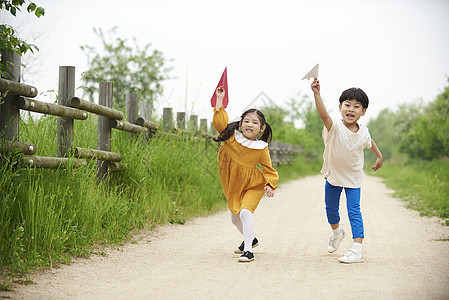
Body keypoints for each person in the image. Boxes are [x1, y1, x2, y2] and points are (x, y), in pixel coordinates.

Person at [311, 78, 383, 263]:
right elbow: (323, 115)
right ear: (340, 107)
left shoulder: (363, 131)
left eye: (356, 106)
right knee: (331, 211)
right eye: (347, 104)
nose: (351, 109)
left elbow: (370, 142)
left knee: (354, 211)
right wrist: (317, 94)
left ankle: (357, 249)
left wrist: (379, 156)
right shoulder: (334, 127)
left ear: (363, 111)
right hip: (333, 176)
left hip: (353, 179)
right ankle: (337, 232)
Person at [213, 86, 279, 263]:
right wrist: (220, 99)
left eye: (255, 122)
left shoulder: (261, 148)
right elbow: (219, 123)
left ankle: (248, 251)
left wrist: (269, 184)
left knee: (244, 213)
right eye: (247, 121)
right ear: (241, 123)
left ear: (261, 128)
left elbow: (269, 169)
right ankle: (251, 239)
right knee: (235, 219)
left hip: (254, 185)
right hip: (234, 183)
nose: (250, 124)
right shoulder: (231, 137)